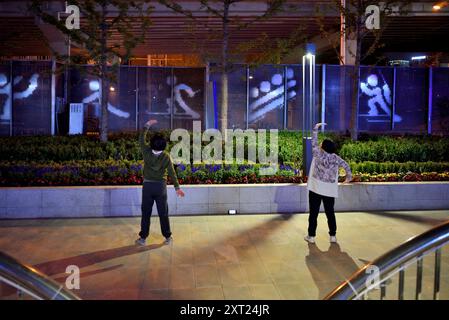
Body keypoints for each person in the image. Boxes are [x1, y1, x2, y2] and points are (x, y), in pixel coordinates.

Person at [135, 119, 185, 246]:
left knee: (146, 213)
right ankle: (168, 237)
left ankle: (143, 239)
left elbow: (141, 138)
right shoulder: (166, 156)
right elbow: (172, 173)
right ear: (164, 146)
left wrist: (147, 125)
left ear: (151, 144)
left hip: (147, 186)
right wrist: (177, 188)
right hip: (160, 188)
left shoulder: (146, 152)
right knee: (163, 213)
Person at [304, 123, 352, 244]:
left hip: (316, 189)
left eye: (322, 144)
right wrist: (348, 178)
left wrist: (316, 128)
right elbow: (346, 166)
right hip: (329, 190)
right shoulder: (336, 158)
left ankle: (311, 236)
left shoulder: (317, 154)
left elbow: (313, 142)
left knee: (313, 213)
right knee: (330, 213)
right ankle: (333, 236)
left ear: (323, 147)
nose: (320, 144)